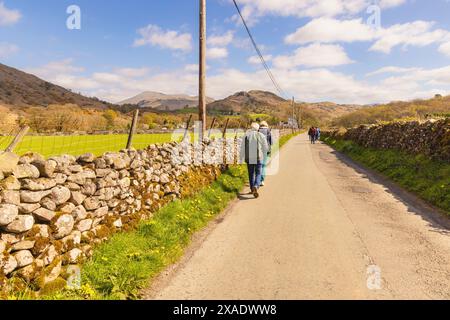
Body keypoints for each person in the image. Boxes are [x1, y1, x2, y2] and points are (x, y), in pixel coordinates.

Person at [241, 122, 269, 198]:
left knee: (251, 173)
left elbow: (243, 147)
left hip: (249, 158)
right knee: (258, 173)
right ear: (258, 129)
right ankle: (256, 185)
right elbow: (266, 148)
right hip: (258, 157)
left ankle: (252, 189)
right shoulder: (261, 136)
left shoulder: (246, 136)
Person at [258, 121, 272, 186]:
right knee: (263, 165)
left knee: (258, 165)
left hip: (258, 149)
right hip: (266, 150)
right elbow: (271, 142)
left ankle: (257, 179)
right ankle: (262, 180)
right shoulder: (268, 131)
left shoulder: (258, 130)